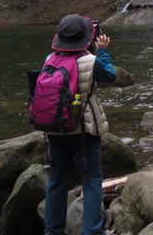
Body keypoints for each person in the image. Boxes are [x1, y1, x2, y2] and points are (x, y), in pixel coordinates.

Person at [43, 14, 116, 235]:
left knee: (57, 178)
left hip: (56, 128)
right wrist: (102, 51)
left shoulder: (49, 59)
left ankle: (52, 230)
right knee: (92, 180)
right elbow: (110, 76)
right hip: (83, 130)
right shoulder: (90, 61)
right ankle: (92, 231)